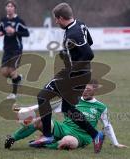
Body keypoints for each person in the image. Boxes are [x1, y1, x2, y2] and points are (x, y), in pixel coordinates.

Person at [32, 3, 104, 153]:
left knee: (43, 97)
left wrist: (72, 68)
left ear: (61, 18)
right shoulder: (80, 25)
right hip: (83, 75)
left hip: (73, 75)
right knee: (68, 109)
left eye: (56, 19)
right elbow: (88, 43)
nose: (56, 22)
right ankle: (96, 135)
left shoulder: (73, 34)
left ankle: (47, 136)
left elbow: (89, 54)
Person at [4, 80, 128, 150]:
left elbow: (107, 126)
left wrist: (116, 143)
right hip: (63, 128)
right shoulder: (71, 99)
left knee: (68, 142)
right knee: (39, 120)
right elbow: (46, 106)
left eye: (88, 90)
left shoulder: (101, 107)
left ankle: (45, 144)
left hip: (82, 137)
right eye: (83, 89)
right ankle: (12, 138)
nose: (85, 92)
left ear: (95, 91)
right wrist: (26, 110)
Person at [0, 0, 30, 99]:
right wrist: (1, 33)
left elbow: (27, 33)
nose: (9, 8)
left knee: (12, 71)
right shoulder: (3, 20)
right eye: (8, 6)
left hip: (16, 49)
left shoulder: (19, 21)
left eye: (11, 6)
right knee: (4, 72)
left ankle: (14, 94)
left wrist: (15, 31)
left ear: (14, 8)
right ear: (5, 8)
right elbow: (1, 30)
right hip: (7, 49)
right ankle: (19, 78)